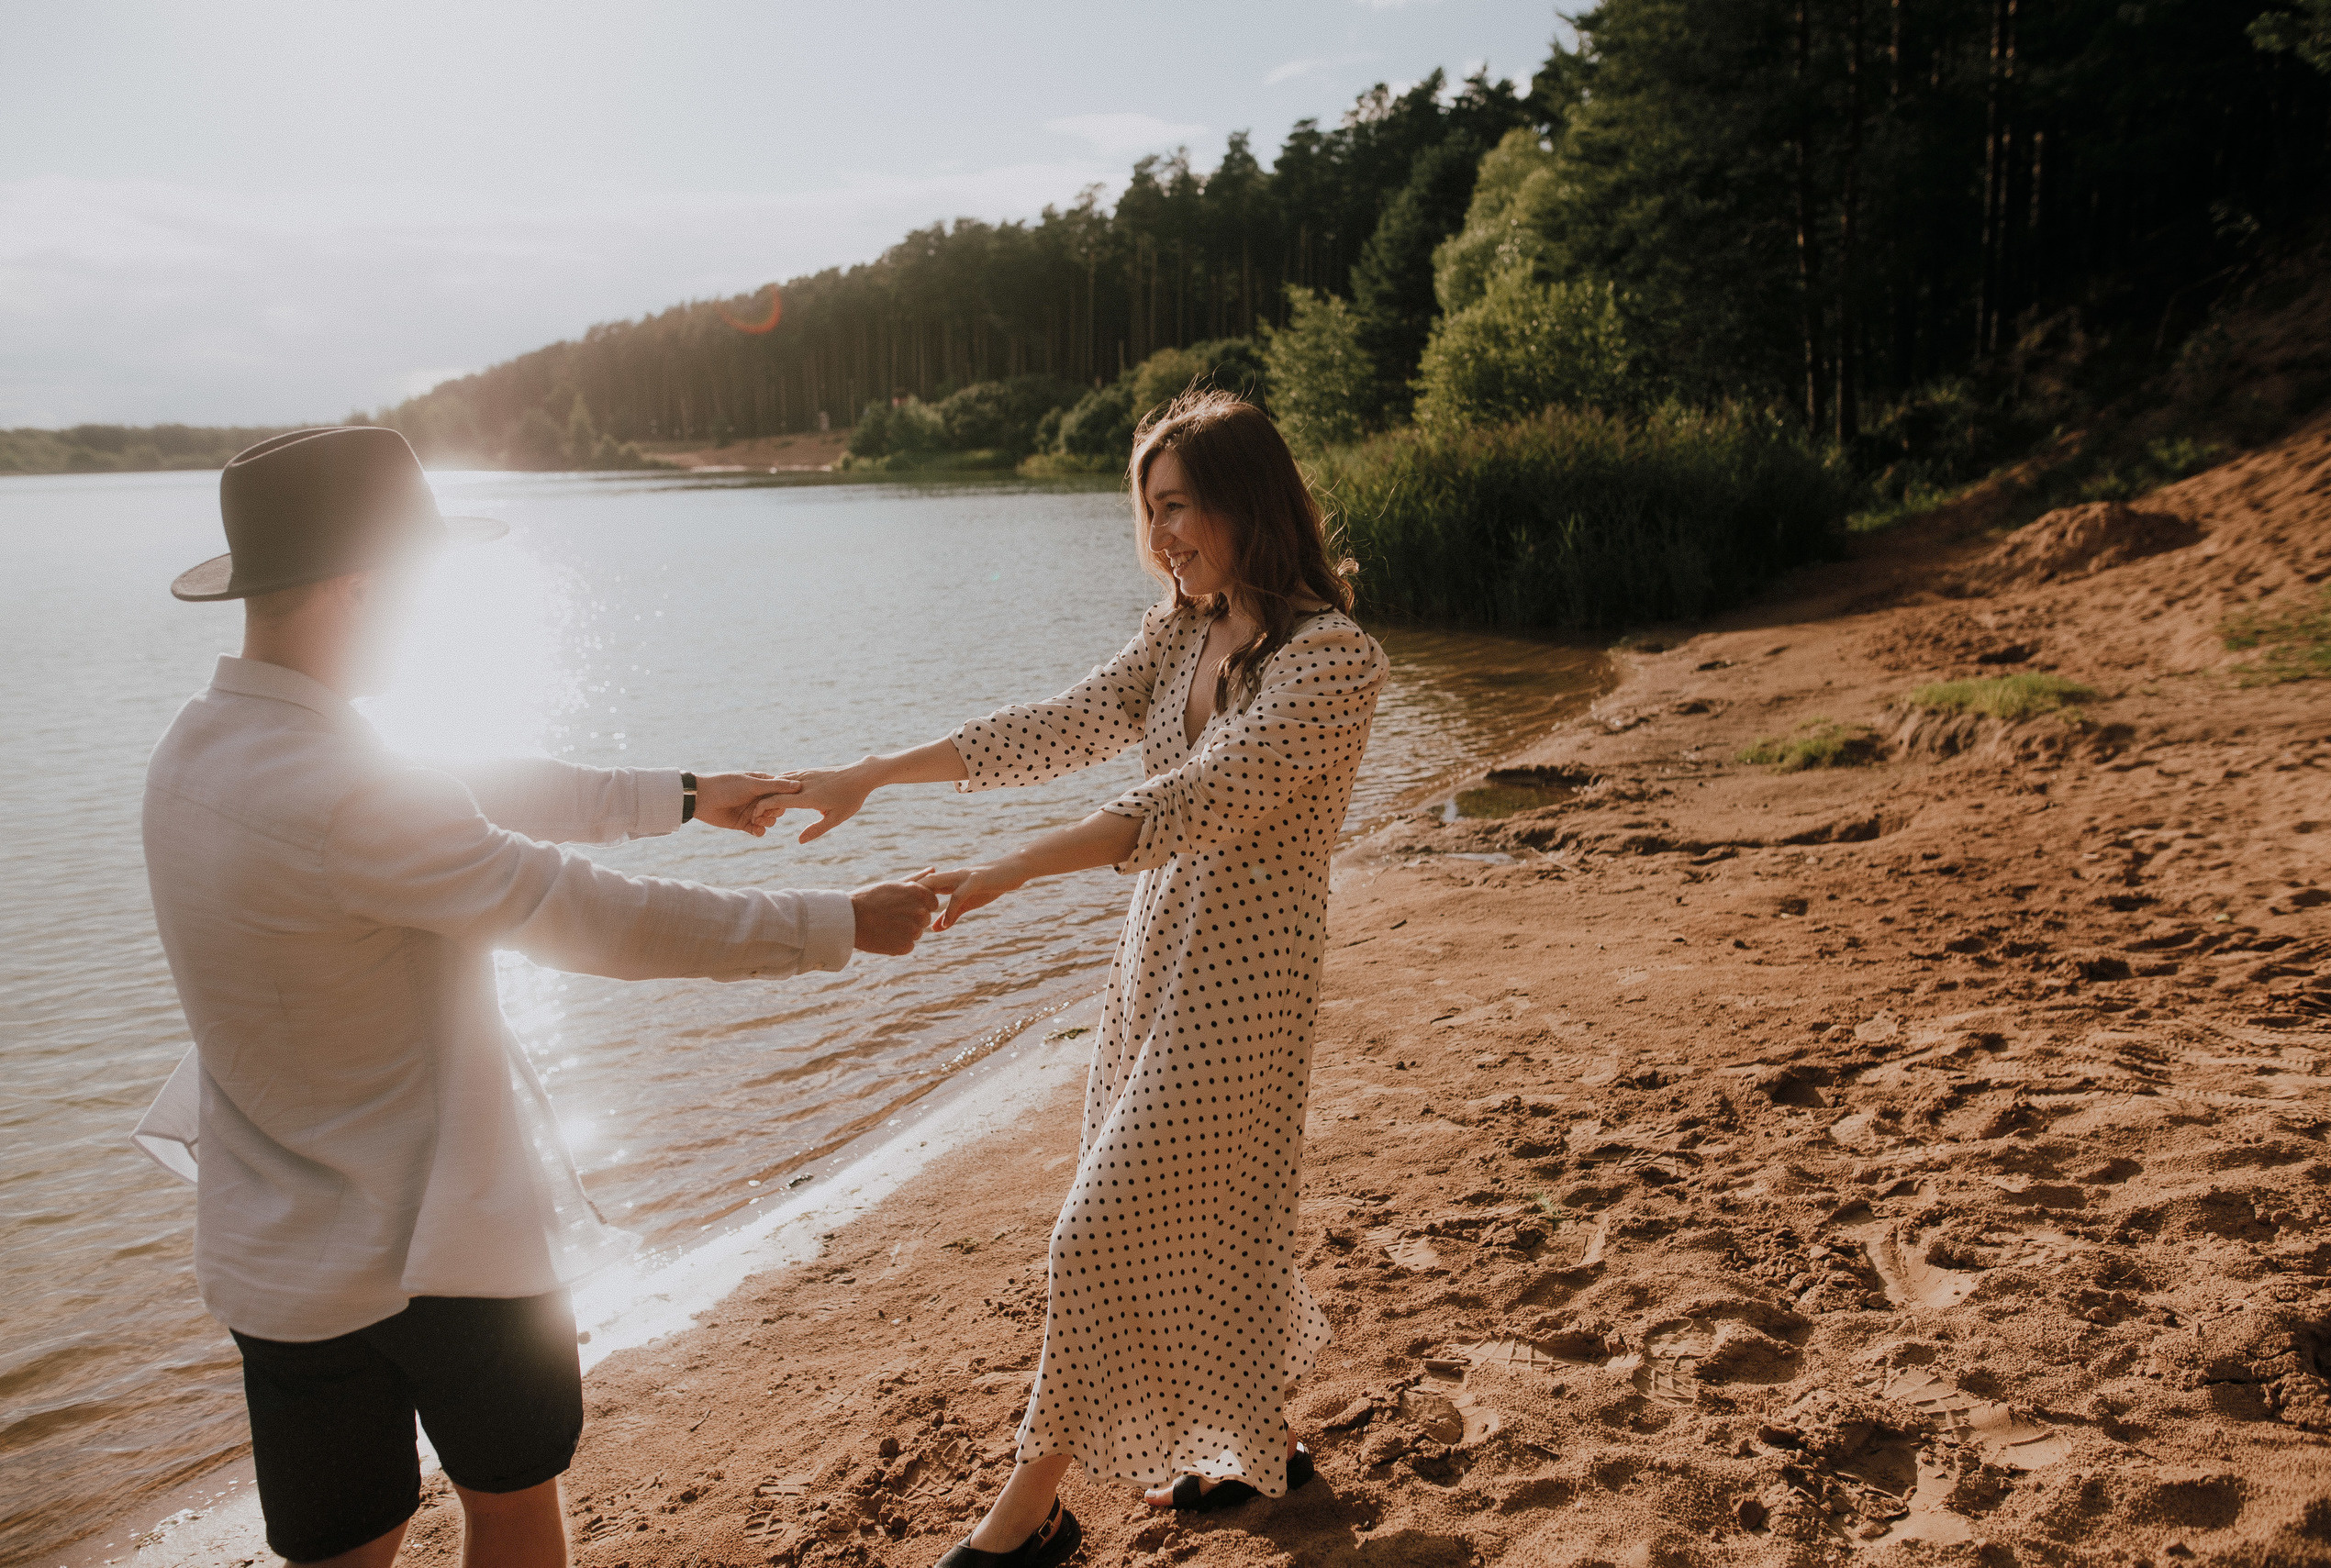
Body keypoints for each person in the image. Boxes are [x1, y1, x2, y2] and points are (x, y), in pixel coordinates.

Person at [132, 427, 940, 1568]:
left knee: (343, 1546)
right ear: (363, 585)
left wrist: (689, 793)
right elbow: (593, 916)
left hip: (279, 1262)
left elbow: (459, 784)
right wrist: (838, 922)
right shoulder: (348, 793)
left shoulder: (195, 751)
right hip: (445, 1243)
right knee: (510, 1504)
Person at [778, 389, 1389, 1566]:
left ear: (1245, 500)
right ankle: (1254, 1445)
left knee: (1101, 1228)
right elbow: (1060, 724)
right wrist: (872, 771)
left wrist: (1008, 870)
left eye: (1179, 507)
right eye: (1148, 511)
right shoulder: (1187, 629)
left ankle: (1030, 1516)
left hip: (1247, 979)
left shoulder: (1333, 664)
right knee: (1204, 1213)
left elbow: (1183, 803)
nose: (1162, 536)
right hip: (1157, 956)